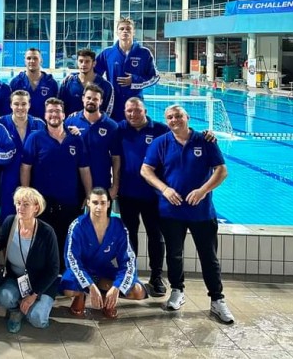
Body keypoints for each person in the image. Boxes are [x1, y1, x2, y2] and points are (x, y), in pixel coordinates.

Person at [141, 104, 234, 324]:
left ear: (187, 117)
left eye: (178, 116)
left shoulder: (205, 140)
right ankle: (177, 291)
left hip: (201, 212)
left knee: (209, 257)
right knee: (174, 254)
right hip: (171, 211)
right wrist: (164, 189)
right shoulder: (161, 143)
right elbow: (146, 170)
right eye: (170, 117)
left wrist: (203, 190)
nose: (174, 120)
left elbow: (222, 170)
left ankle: (217, 299)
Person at [21, 98, 91, 269]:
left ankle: (65, 278)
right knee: (44, 245)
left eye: (57, 111)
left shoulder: (75, 139)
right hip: (43, 204)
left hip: (69, 202)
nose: (54, 114)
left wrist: (89, 194)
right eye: (50, 111)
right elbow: (25, 168)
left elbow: (84, 169)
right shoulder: (35, 138)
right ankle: (46, 281)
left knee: (67, 243)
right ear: (45, 115)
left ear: (63, 114)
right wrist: (26, 195)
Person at [60, 188, 148, 319]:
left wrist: (117, 287)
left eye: (102, 203)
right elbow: (72, 260)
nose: (99, 207)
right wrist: (89, 285)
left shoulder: (119, 226)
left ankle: (105, 296)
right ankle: (81, 295)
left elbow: (128, 261)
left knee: (138, 292)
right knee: (69, 290)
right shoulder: (77, 226)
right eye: (95, 202)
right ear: (88, 203)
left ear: (108, 204)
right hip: (82, 269)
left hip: (104, 270)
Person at [116, 98, 169, 297]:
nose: (132, 114)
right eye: (129, 111)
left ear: (145, 111)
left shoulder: (160, 130)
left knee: (156, 236)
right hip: (127, 193)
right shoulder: (120, 128)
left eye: (137, 111)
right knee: (130, 237)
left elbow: (183, 137)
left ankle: (156, 276)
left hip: (153, 194)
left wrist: (206, 136)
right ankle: (131, 275)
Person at [0, 187, 60, 333]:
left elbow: (54, 269)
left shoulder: (47, 232)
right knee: (4, 296)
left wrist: (33, 295)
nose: (20, 208)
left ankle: (33, 306)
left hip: (41, 283)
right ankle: (16, 311)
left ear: (36, 208)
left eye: (26, 204)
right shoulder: (10, 222)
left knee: (38, 320)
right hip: (16, 279)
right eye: (18, 203)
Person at [95, 18, 159, 121]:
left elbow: (155, 77)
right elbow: (93, 73)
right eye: (122, 29)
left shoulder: (144, 53)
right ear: (117, 32)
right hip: (113, 102)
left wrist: (134, 81)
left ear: (133, 32)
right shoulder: (107, 53)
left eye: (128, 29)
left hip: (135, 102)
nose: (125, 31)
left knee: (136, 131)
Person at [64, 84, 120, 195]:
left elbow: (116, 158)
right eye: (89, 98)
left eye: (95, 99)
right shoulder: (71, 121)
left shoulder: (111, 126)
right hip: (75, 182)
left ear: (101, 101)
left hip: (101, 182)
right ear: (83, 98)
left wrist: (115, 186)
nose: (91, 101)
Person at [0, 90, 45, 220]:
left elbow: (54, 135)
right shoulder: (0, 124)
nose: (20, 108)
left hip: (34, 175)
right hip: (8, 175)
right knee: (8, 216)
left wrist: (70, 130)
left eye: (24, 104)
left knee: (33, 214)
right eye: (16, 104)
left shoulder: (39, 124)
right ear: (11, 105)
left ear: (29, 105)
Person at [59, 48, 114, 116]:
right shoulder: (68, 82)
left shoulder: (105, 86)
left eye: (87, 61)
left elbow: (108, 111)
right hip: (70, 124)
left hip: (95, 125)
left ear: (94, 63)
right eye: (81, 61)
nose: (83, 64)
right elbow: (60, 106)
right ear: (77, 62)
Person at [10, 48, 59, 119]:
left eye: (35, 58)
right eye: (28, 58)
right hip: (21, 126)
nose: (32, 61)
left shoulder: (51, 83)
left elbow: (56, 107)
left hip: (44, 126)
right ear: (25, 61)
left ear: (41, 61)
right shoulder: (16, 82)